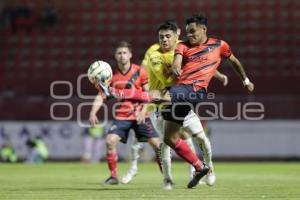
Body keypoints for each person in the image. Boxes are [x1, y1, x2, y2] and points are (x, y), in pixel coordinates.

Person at [121, 20, 228, 190]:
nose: (163, 40)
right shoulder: (153, 53)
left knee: (199, 137)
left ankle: (208, 168)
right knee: (166, 142)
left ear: (177, 36)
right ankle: (168, 180)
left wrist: (219, 75)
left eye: (167, 36)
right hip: (161, 105)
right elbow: (154, 76)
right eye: (161, 37)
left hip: (180, 101)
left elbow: (203, 63)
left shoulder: (185, 48)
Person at [160, 13, 254, 188]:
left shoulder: (219, 45)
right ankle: (199, 167)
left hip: (195, 90)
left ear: (204, 30)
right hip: (181, 91)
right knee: (169, 139)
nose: (190, 35)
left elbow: (234, 61)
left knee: (158, 95)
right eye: (187, 32)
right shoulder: (182, 46)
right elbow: (177, 61)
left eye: (193, 31)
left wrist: (245, 80)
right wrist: (175, 67)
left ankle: (118, 94)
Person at [89, 41, 162, 185]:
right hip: (122, 116)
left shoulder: (140, 71)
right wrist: (93, 112)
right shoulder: (111, 76)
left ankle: (167, 176)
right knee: (110, 141)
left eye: (124, 53)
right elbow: (101, 95)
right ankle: (113, 176)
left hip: (141, 115)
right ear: (115, 56)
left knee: (157, 145)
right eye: (119, 53)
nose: (122, 56)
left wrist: (144, 110)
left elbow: (149, 94)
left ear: (130, 55)